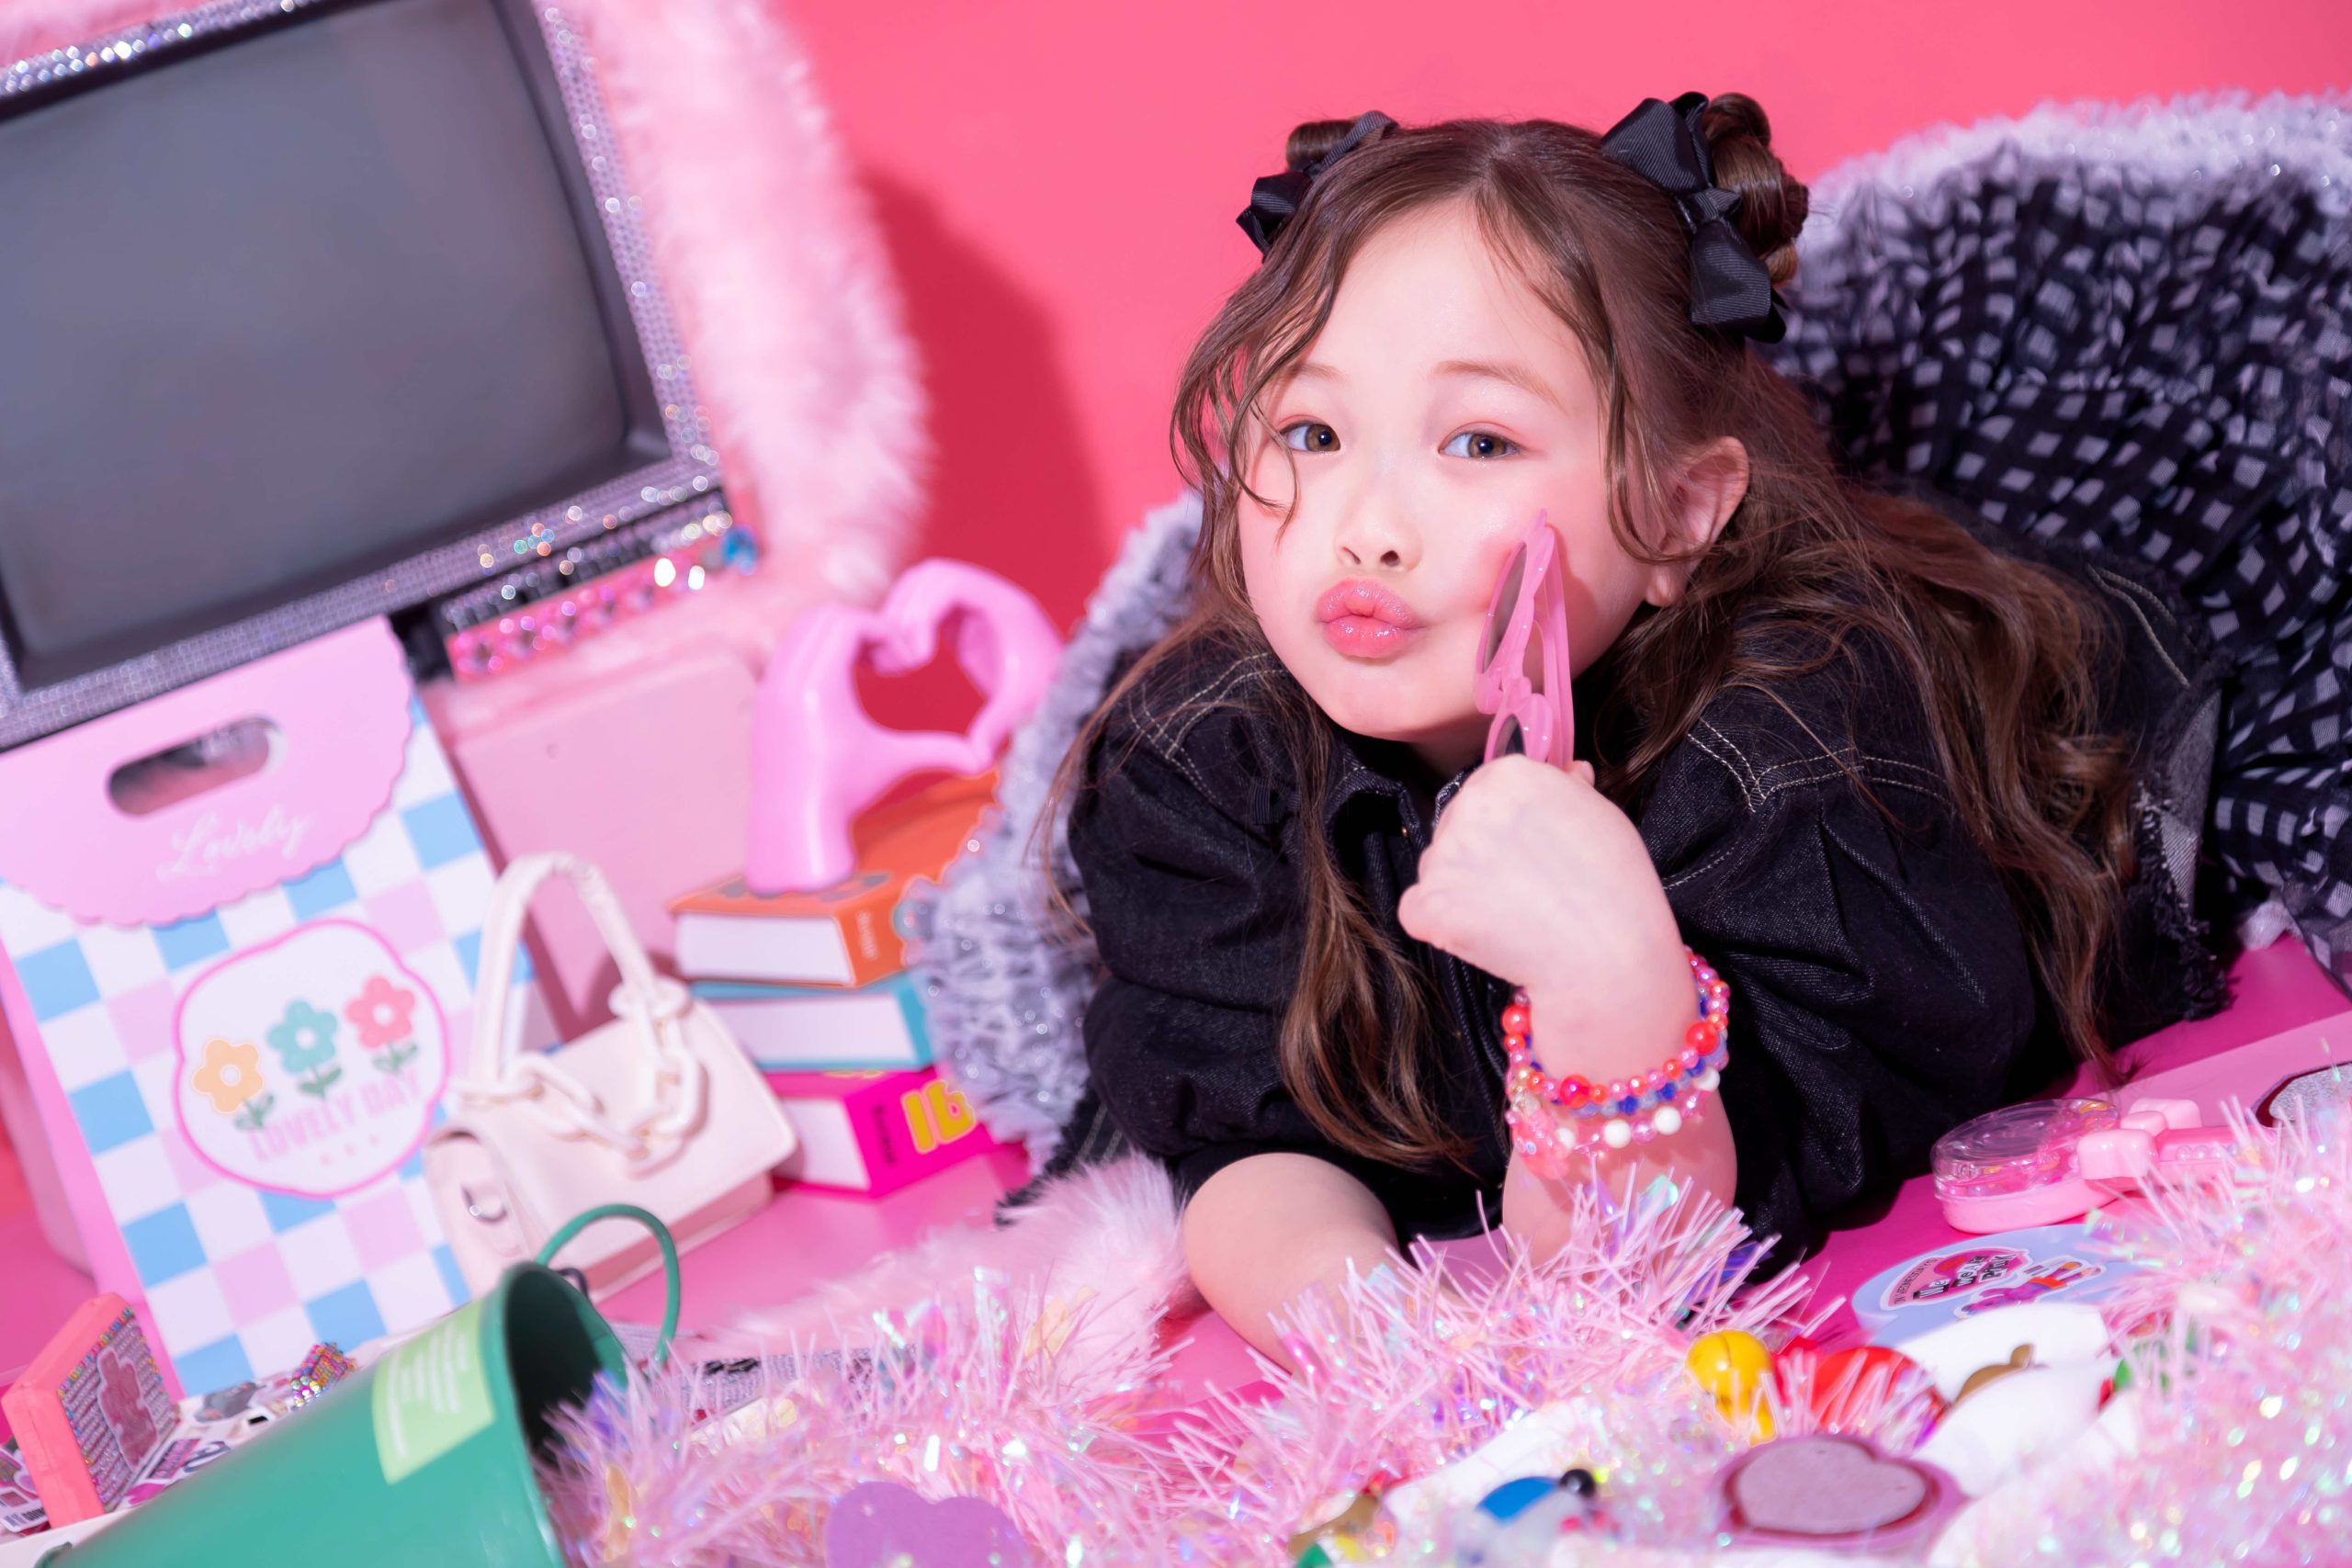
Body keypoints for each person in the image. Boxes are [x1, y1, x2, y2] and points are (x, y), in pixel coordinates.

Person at [1036, 95, 2220, 1359]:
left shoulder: (1779, 757)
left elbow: (1646, 1263)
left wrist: (1610, 984)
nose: (1364, 527)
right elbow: (1240, 1149)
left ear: (1678, 510)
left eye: (1478, 441)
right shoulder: (1198, 762)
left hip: (2064, 739)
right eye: (1312, 432)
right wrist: (1384, 1344)